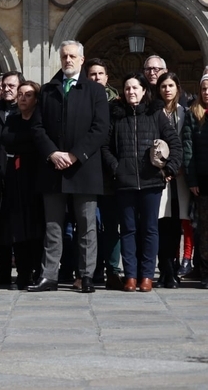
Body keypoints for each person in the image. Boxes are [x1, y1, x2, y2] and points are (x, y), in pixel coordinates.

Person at [29, 40, 109, 294]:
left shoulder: (95, 91)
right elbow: (37, 128)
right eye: (64, 56)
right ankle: (49, 276)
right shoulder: (48, 90)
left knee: (86, 225)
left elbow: (100, 129)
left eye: (73, 56)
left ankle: (86, 276)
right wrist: (53, 153)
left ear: (82, 60)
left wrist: (75, 155)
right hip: (53, 168)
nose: (68, 60)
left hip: (83, 168)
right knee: (53, 226)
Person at [102, 72, 182, 292]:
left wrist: (169, 169)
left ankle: (146, 276)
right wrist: (116, 167)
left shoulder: (155, 114)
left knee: (150, 229)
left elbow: (175, 143)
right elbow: (105, 147)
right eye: (127, 88)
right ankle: (130, 276)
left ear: (144, 90)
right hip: (125, 182)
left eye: (135, 88)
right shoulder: (117, 116)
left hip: (151, 182)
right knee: (128, 229)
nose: (131, 92)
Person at [0, 81, 44, 290]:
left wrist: (22, 144)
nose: (23, 98)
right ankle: (22, 272)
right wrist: (25, 143)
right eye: (20, 94)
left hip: (36, 175)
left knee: (36, 225)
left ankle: (37, 270)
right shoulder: (13, 119)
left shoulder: (40, 120)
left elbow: (38, 141)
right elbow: (7, 140)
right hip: (15, 176)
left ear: (36, 98)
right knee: (17, 226)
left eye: (28, 94)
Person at [86, 57, 123, 290]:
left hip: (110, 173)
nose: (97, 77)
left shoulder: (118, 106)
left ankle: (112, 270)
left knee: (110, 224)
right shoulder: (80, 100)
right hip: (86, 170)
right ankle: (91, 269)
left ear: (107, 77)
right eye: (92, 74)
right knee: (88, 224)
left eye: (100, 74)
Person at [0, 71, 23, 285]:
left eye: (11, 86)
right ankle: (2, 270)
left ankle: (25, 270)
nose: (6, 89)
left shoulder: (25, 109)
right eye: (4, 86)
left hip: (20, 174)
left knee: (19, 223)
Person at [157, 72, 190, 288]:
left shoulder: (185, 113)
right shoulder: (154, 113)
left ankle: (174, 269)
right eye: (163, 86)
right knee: (162, 223)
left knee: (177, 223)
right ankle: (165, 270)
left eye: (170, 85)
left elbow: (188, 142)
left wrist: (179, 165)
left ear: (177, 87)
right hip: (161, 175)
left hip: (181, 178)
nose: (167, 90)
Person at [182, 73, 208, 289]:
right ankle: (205, 271)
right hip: (203, 179)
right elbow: (188, 148)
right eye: (204, 88)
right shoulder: (193, 114)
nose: (207, 92)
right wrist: (192, 180)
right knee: (205, 229)